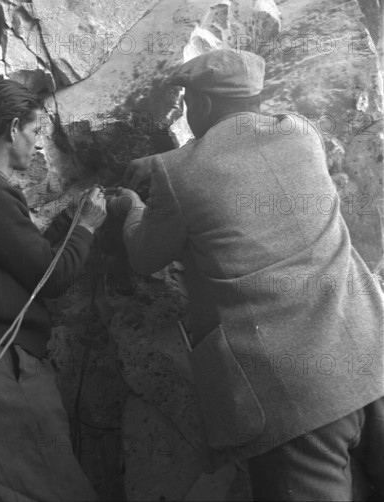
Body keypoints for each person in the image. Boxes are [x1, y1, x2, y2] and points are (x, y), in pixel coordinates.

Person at [108, 49, 384, 501]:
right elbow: (237, 161)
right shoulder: (301, 133)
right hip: (371, 357)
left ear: (202, 104)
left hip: (296, 399)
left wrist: (133, 207)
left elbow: (144, 255)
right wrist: (164, 165)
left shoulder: (180, 173)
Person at [0, 78, 105, 501]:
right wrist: (86, 227)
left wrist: (67, 221)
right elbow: (51, 278)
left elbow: (26, 264)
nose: (37, 142)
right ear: (12, 129)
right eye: (34, 131)